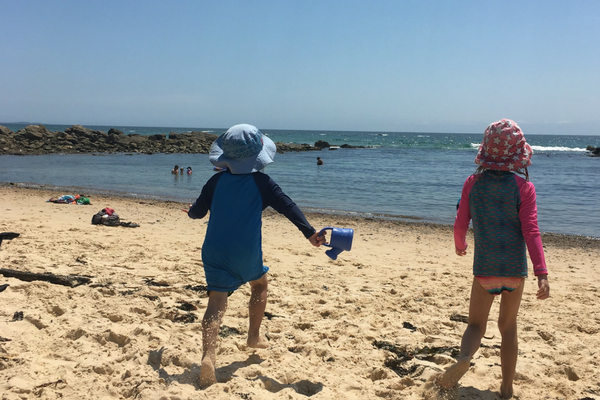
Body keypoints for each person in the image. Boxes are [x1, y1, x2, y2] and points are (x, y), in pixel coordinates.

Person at [186, 124, 326, 388]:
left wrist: (190, 211)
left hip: (214, 250)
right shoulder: (262, 183)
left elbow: (198, 212)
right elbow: (288, 206)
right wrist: (310, 233)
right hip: (245, 251)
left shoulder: (215, 181)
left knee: (216, 301)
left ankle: (208, 356)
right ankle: (253, 336)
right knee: (260, 284)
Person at [434, 119, 550, 399]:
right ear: (518, 155)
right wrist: (541, 272)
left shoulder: (473, 184)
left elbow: (460, 222)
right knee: (508, 327)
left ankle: (464, 358)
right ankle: (507, 387)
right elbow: (531, 230)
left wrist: (459, 245)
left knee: (476, 325)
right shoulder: (524, 188)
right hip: (514, 271)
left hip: (485, 270)